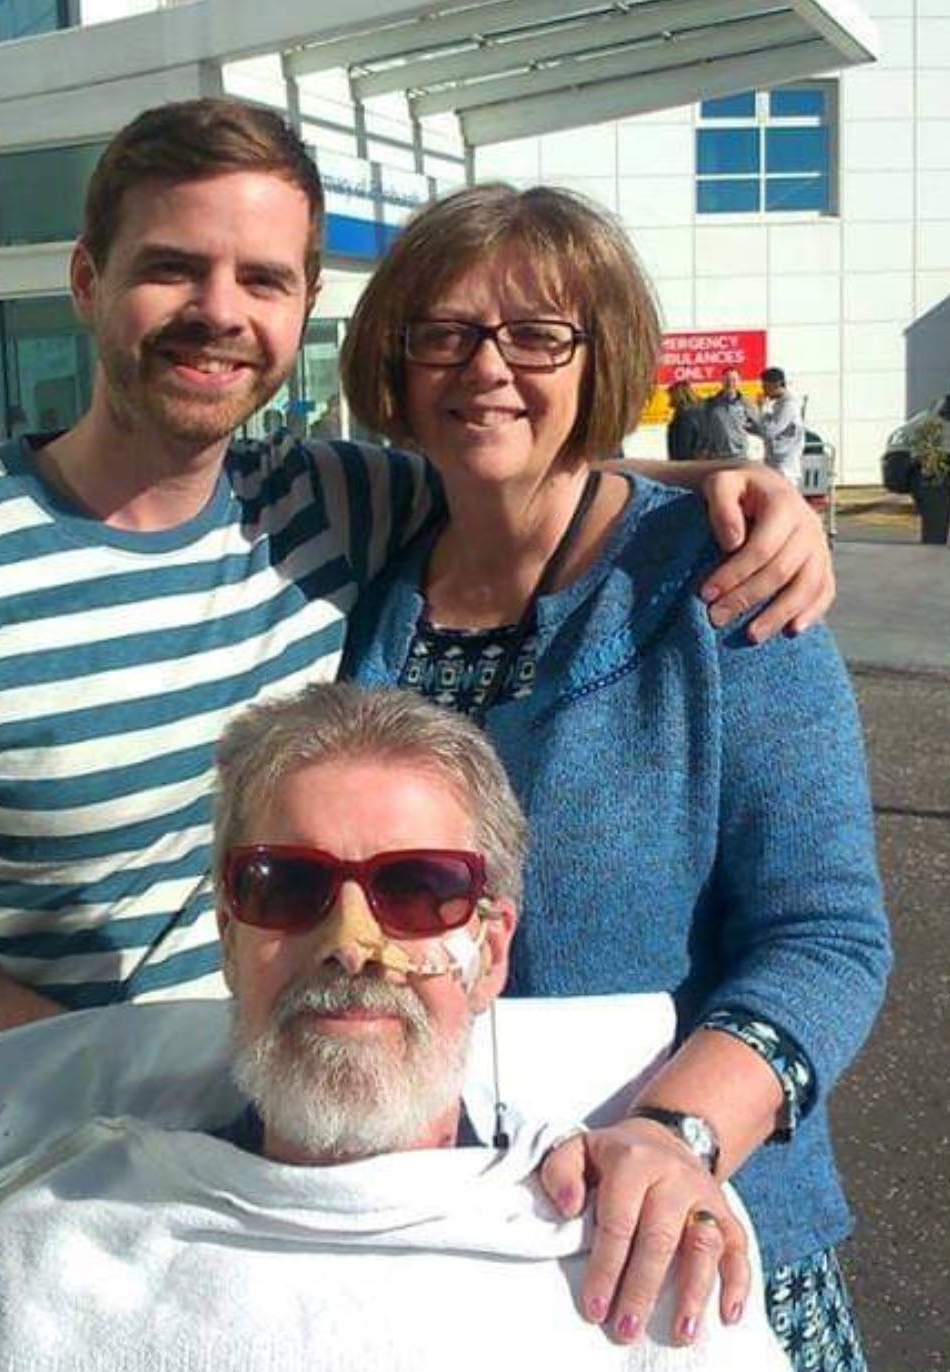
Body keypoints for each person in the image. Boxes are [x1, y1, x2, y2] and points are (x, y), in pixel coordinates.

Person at [0, 99, 833, 1175]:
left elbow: (514, 458)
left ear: (304, 307)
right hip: (11, 1158)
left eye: (262, 279)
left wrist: (729, 485)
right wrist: (42, 1040)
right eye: (171, 267)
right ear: (85, 279)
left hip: (273, 1146)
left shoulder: (324, 505)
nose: (218, 311)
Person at [0, 684, 790, 1372]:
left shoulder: (644, 1257)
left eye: (418, 888)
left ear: (492, 950)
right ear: (230, 936)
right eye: (288, 885)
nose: (351, 942)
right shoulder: (50, 1247)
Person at [339, 183, 890, 1372]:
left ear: (603, 362)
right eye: (445, 330)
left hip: (688, 1241)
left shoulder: (723, 584)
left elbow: (828, 936)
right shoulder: (364, 588)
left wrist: (675, 1130)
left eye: (538, 335)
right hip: (430, 1240)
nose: (487, 366)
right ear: (397, 360)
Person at [753, 367, 806, 488]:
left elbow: (770, 431)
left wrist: (762, 409)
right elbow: (768, 429)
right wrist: (753, 428)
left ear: (776, 384)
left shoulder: (788, 405)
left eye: (765, 386)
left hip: (785, 467)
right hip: (775, 462)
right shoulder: (779, 405)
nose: (763, 391)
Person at [702, 367, 760, 459]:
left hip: (739, 456)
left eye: (734, 380)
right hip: (716, 456)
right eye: (727, 380)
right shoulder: (710, 404)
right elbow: (702, 428)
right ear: (722, 381)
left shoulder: (747, 404)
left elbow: (758, 427)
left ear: (739, 382)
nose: (730, 383)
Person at [666, 381, 706, 460]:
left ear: (678, 396)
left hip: (688, 465)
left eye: (671, 396)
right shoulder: (701, 411)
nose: (670, 400)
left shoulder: (684, 417)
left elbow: (682, 448)